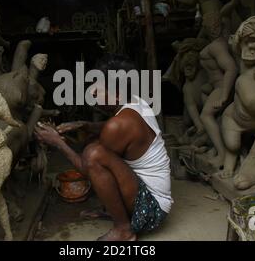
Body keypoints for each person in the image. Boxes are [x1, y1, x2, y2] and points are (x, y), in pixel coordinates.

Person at [35, 54, 173, 241]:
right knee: (95, 145)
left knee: (93, 154)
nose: (92, 92)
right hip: (149, 195)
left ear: (116, 94)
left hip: (151, 209)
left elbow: (88, 168)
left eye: (98, 89)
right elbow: (122, 131)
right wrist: (85, 125)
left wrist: (57, 143)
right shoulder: (135, 102)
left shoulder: (117, 126)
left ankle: (124, 229)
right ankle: (115, 210)